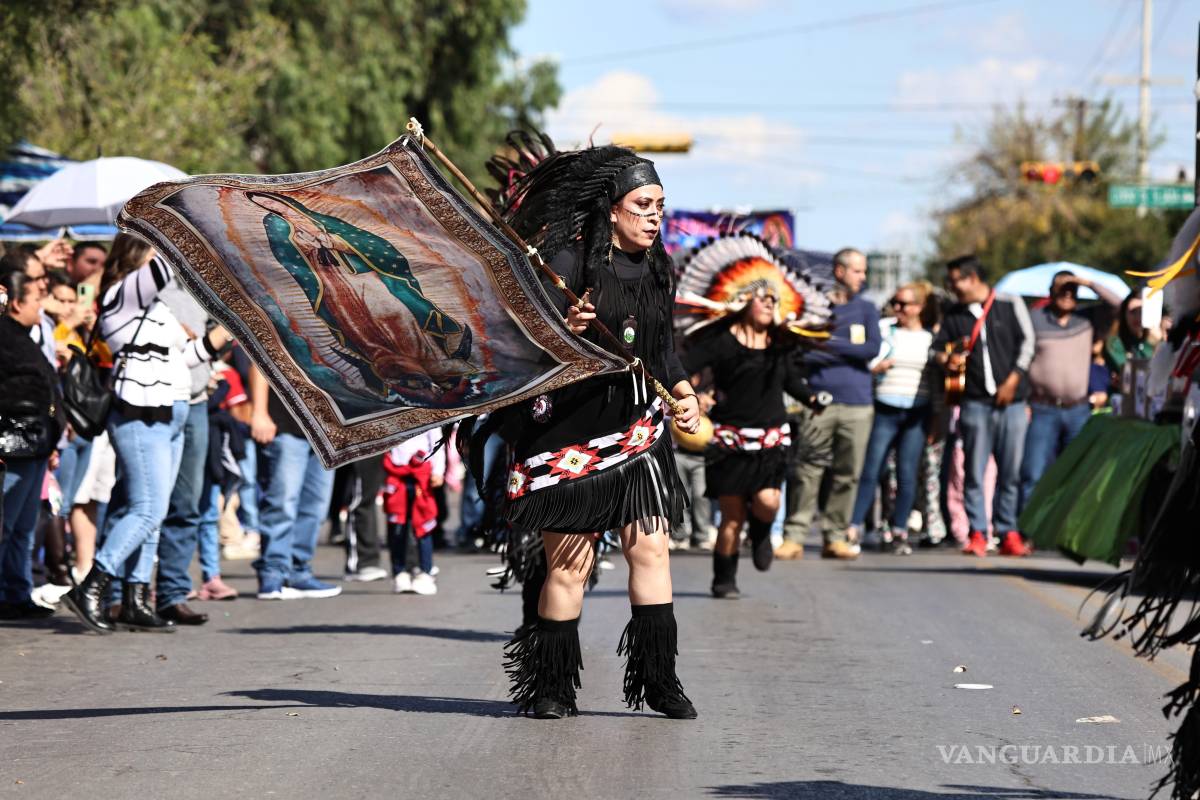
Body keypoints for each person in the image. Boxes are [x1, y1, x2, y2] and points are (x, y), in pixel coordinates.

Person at [474, 140, 700, 720]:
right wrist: (561, 325)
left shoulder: (658, 268)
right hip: (568, 439)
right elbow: (522, 339)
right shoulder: (567, 263)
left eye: (660, 205)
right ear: (613, 209)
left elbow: (663, 352)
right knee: (568, 567)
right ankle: (551, 686)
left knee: (651, 552)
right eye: (643, 204)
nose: (654, 216)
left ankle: (660, 680)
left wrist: (685, 394)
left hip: (638, 434)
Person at [62, 235, 229, 633]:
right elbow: (165, 266)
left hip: (172, 411)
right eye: (155, 250)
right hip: (139, 415)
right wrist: (178, 226)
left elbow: (180, 359)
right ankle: (92, 585)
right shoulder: (122, 295)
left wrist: (218, 339)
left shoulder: (156, 307)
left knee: (155, 511)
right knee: (148, 508)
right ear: (137, 255)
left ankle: (137, 596)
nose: (162, 259)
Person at [683, 288, 823, 596]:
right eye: (763, 298)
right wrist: (694, 396)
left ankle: (761, 533)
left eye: (774, 300)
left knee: (768, 501)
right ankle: (724, 577)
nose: (769, 304)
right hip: (729, 438)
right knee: (732, 517)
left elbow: (792, 381)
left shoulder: (781, 343)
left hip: (771, 437)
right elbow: (683, 367)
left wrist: (812, 398)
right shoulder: (721, 341)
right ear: (744, 301)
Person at [780, 248, 880, 560]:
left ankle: (835, 536)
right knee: (808, 468)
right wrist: (846, 346)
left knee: (848, 472)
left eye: (863, 272)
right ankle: (794, 535)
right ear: (839, 271)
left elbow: (871, 349)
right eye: (857, 271)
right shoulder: (815, 308)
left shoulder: (867, 309)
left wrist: (828, 344)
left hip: (858, 403)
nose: (862, 278)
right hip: (818, 401)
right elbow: (803, 351)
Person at [933, 254, 1034, 558]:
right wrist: (946, 359)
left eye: (956, 280)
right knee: (974, 471)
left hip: (1012, 402)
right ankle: (978, 531)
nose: (952, 287)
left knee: (1011, 471)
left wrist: (1013, 380)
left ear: (973, 278)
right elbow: (935, 350)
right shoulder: (954, 314)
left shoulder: (1009, 303)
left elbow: (1028, 343)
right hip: (974, 403)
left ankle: (1008, 532)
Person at [1019, 271, 1123, 511]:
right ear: (1050, 292)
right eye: (1061, 288)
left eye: (1072, 290)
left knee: (1078, 472)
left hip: (1078, 409)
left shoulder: (1086, 319)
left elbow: (1119, 304)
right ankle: (1028, 529)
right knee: (1033, 472)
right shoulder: (1035, 319)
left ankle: (1065, 530)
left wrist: (1086, 283)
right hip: (1042, 408)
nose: (1067, 293)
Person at [848, 283, 936, 555]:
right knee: (871, 469)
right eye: (895, 303)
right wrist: (877, 368)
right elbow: (866, 364)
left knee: (907, 472)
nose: (898, 308)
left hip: (917, 410)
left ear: (919, 307)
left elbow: (938, 380)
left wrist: (938, 418)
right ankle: (854, 527)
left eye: (905, 304)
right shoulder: (885, 331)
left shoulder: (930, 338)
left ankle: (899, 530)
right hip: (885, 406)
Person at [0, 270, 64, 619]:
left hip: (36, 442)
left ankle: (17, 590)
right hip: (14, 443)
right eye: (35, 300)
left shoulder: (24, 335)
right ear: (16, 301)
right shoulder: (5, 334)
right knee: (7, 524)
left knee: (24, 526)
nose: (40, 307)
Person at [247, 368, 341, 600]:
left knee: (316, 506)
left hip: (325, 428)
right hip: (284, 422)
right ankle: (273, 573)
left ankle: (298, 571)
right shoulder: (283, 328)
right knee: (282, 502)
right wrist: (259, 412)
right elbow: (259, 365)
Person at [383, 431, 445, 595]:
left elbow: (438, 442)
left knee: (423, 527)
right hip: (396, 474)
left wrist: (438, 471)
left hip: (421, 475)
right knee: (397, 528)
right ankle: (399, 573)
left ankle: (425, 572)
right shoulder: (391, 408)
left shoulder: (428, 408)